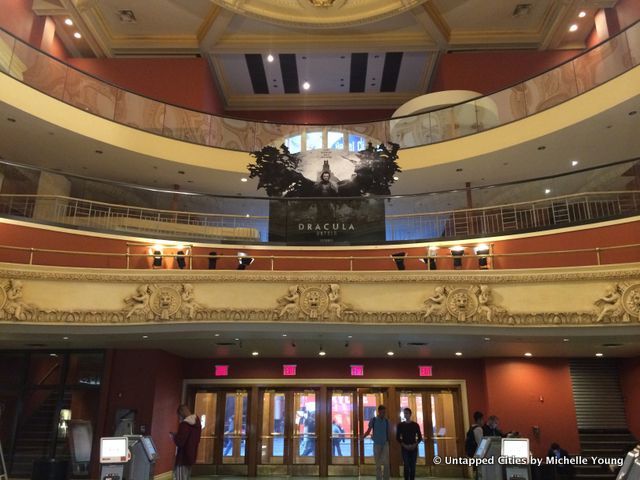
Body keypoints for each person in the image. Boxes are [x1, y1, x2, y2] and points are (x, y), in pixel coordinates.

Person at [170, 404, 202, 480]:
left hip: (183, 457)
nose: (180, 417)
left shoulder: (184, 425)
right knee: (187, 476)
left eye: (179, 415)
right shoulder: (197, 423)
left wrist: (174, 437)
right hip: (191, 455)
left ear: (182, 412)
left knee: (180, 477)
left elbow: (180, 442)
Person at [364, 405, 390, 480]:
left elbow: (388, 432)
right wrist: (363, 437)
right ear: (379, 411)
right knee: (378, 464)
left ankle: (386, 478)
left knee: (386, 464)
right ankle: (378, 478)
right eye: (382, 412)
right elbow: (369, 430)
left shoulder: (386, 421)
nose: (383, 414)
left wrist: (388, 441)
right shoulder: (373, 420)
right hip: (377, 444)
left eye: (384, 412)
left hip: (385, 444)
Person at [396, 408, 423, 480]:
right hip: (405, 448)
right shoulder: (400, 425)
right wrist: (404, 445)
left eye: (407, 413)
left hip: (414, 448)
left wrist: (415, 444)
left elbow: (420, 437)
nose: (405, 415)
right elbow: (398, 438)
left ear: (410, 414)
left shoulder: (415, 425)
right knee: (406, 465)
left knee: (413, 466)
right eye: (404, 413)